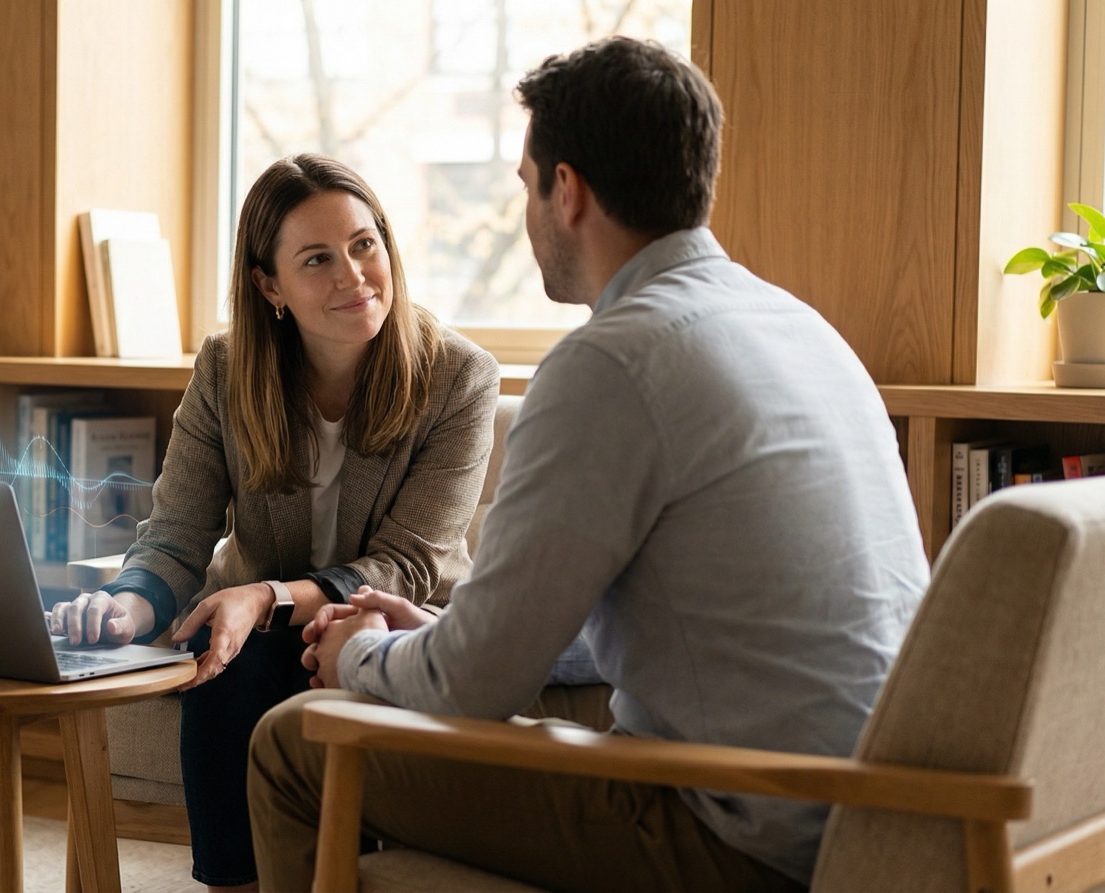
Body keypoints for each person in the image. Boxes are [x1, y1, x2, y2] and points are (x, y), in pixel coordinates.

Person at [247, 37, 931, 892]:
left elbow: (474, 688)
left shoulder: (609, 363)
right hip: (872, 815)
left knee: (291, 741)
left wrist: (354, 652)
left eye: (526, 186)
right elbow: (617, 630)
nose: (525, 213)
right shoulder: (800, 327)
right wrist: (436, 637)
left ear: (565, 190)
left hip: (736, 831)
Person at [49, 153, 499, 891]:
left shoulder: (458, 376)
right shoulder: (228, 369)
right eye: (317, 259)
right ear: (269, 284)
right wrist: (123, 607)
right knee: (224, 664)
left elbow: (406, 563)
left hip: (391, 621)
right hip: (248, 631)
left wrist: (266, 596)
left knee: (253, 647)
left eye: (364, 244)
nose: (353, 275)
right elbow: (175, 535)